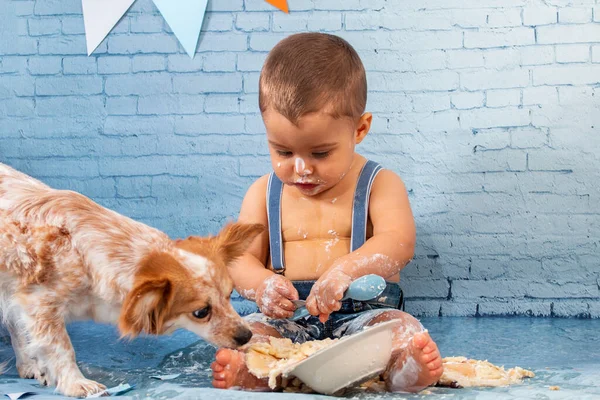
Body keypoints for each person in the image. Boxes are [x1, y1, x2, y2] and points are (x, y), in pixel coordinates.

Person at [211, 32, 443, 393]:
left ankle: (404, 369)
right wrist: (262, 286)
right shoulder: (262, 192)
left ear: (360, 129)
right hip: (288, 322)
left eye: (320, 153)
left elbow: (398, 243)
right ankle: (250, 373)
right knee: (250, 334)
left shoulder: (379, 183)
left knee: (401, 328)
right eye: (283, 152)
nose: (301, 168)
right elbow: (239, 260)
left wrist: (345, 269)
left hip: (363, 316)